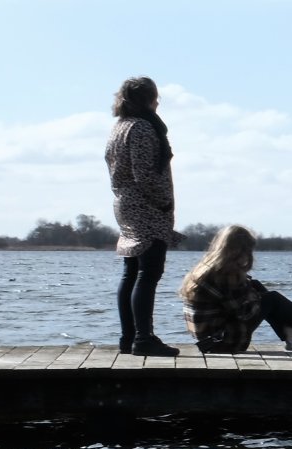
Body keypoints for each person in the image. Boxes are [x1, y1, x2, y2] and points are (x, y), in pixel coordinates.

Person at [178, 225, 292, 353]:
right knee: (272, 299)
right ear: (240, 250)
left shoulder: (205, 267)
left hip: (208, 342)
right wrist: (257, 297)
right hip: (224, 343)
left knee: (258, 289)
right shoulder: (224, 274)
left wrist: (251, 290)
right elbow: (244, 314)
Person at [105, 76, 184, 356]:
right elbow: (145, 174)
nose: (158, 102)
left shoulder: (119, 127)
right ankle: (143, 339)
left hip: (125, 204)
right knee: (148, 273)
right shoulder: (141, 128)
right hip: (146, 208)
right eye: (155, 97)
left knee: (132, 272)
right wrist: (163, 202)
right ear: (148, 99)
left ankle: (129, 338)